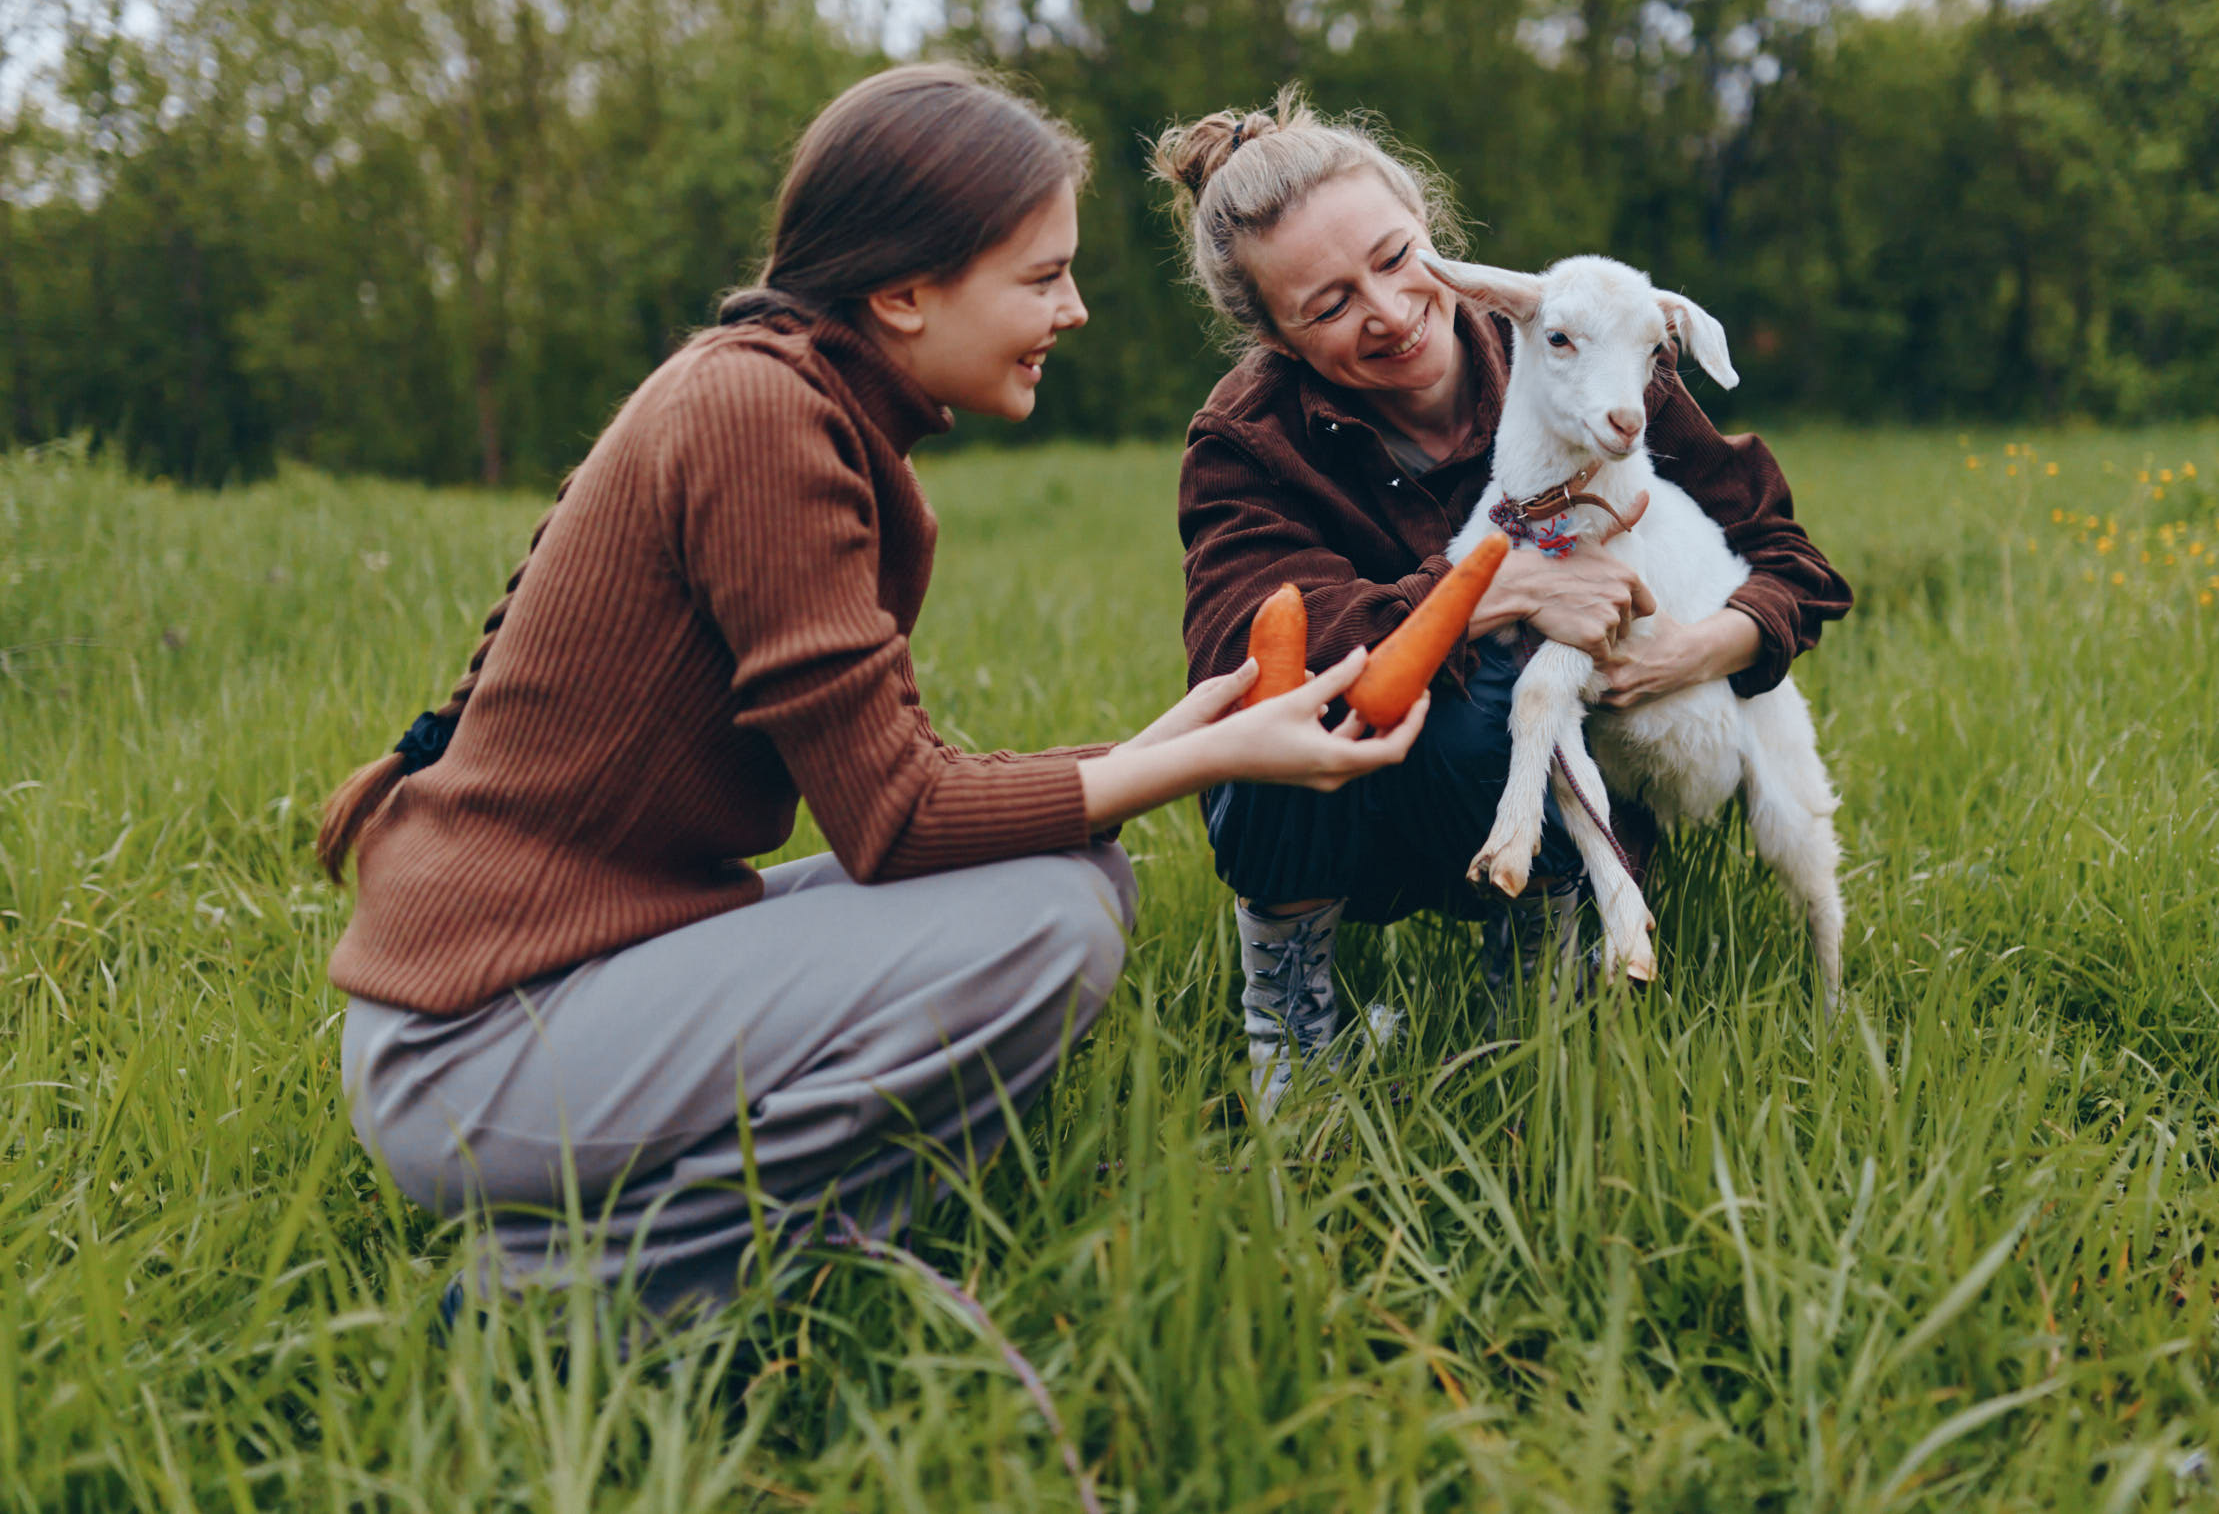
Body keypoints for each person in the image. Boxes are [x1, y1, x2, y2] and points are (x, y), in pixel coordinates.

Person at [322, 66, 1427, 1322]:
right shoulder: (760, 417)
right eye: (1040, 277)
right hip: (476, 1052)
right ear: (903, 292)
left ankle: (797, 1242)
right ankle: (591, 1290)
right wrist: (1208, 760)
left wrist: (1160, 743)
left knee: (1074, 879)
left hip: (563, 992)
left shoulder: (793, 402)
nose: (1070, 311)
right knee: (1045, 930)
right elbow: (891, 818)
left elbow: (899, 781)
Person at [1150, 88, 1853, 1110]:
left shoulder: (1584, 351)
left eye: (1395, 258)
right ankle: (1294, 1027)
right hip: (1358, 796)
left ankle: (1536, 997)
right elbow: (1237, 648)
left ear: (1430, 228)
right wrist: (1484, 589)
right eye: (1329, 306)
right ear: (1276, 339)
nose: (1389, 311)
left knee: (1505, 698)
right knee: (1274, 706)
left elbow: (1787, 558)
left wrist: (1694, 649)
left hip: (1558, 773)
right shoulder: (1246, 440)